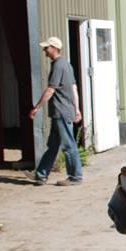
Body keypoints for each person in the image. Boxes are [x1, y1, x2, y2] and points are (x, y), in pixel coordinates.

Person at [29, 37, 83, 185]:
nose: (44, 50)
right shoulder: (66, 65)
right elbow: (74, 88)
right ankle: (41, 174)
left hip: (61, 112)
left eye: (46, 48)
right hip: (62, 112)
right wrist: (77, 109)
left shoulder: (58, 66)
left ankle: (75, 177)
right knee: (53, 145)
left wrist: (36, 107)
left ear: (54, 48)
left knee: (68, 146)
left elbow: (50, 90)